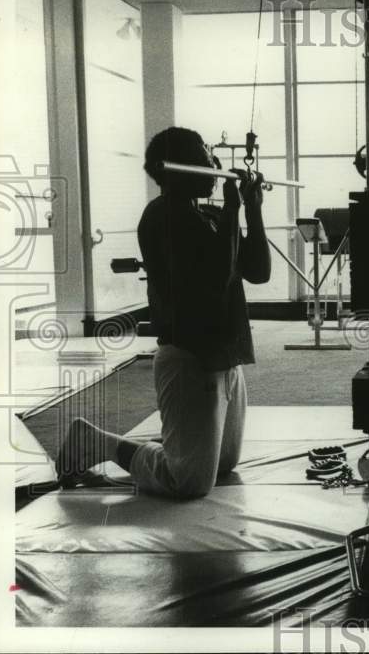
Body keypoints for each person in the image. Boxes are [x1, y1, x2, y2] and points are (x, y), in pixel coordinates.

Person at [56, 126, 271, 498]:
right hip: (191, 359)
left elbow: (259, 271)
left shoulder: (207, 215)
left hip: (225, 356)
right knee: (187, 481)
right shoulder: (162, 218)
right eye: (205, 155)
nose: (215, 163)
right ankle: (92, 441)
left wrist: (252, 208)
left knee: (224, 463)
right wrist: (234, 208)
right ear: (181, 168)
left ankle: (178, 439)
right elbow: (218, 277)